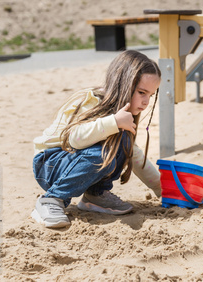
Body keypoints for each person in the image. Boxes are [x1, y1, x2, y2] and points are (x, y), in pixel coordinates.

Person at [31, 50, 162, 228]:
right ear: (123, 83)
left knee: (124, 142)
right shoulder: (92, 100)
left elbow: (133, 153)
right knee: (104, 152)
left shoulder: (122, 116)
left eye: (151, 95)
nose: (146, 101)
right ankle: (51, 200)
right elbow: (74, 139)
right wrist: (113, 122)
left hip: (74, 161)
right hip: (51, 163)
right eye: (141, 92)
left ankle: (95, 195)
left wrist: (161, 188)